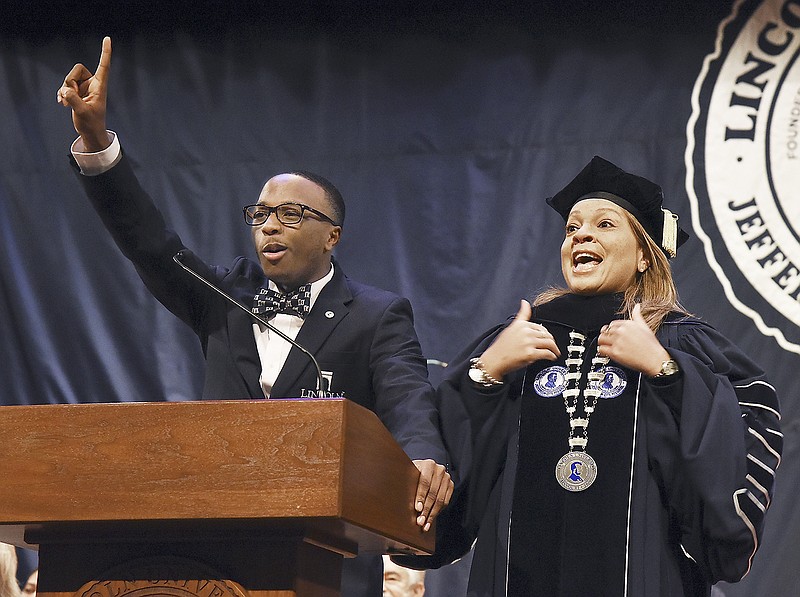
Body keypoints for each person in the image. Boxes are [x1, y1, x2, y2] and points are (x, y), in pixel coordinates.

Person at [56, 37, 453, 596]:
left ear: (331, 237)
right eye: (260, 213)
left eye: (290, 214)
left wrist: (423, 456)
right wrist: (96, 139)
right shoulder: (220, 295)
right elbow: (146, 241)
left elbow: (407, 394)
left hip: (330, 558)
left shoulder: (377, 314)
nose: (269, 225)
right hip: (217, 555)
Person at [406, 156, 783, 596]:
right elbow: (445, 462)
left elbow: (751, 418)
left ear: (645, 254)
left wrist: (668, 373)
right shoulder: (517, 342)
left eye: (605, 225)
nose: (580, 234)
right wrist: (483, 375)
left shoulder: (682, 343)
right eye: (572, 229)